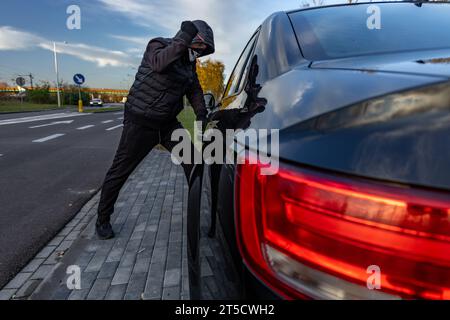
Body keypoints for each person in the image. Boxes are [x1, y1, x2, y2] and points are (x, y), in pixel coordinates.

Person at [96, 20, 215, 240]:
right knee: (120, 171)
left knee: (194, 163)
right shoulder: (158, 45)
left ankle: (198, 215)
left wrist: (201, 112)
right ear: (189, 39)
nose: (199, 54)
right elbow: (160, 64)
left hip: (168, 124)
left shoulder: (190, 63)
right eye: (199, 47)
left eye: (203, 51)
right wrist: (184, 37)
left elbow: (194, 89)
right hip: (140, 122)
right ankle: (102, 219)